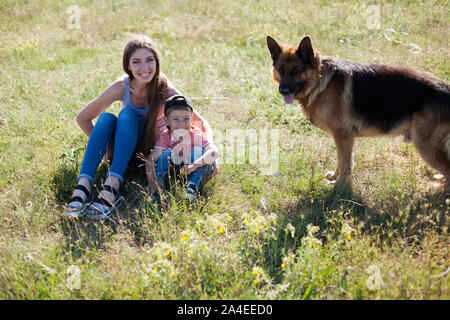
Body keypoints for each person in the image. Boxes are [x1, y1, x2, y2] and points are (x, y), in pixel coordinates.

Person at [64, 35, 218, 219]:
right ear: (128, 66)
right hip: (122, 152)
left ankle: (112, 188)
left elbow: (200, 121)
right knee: (106, 119)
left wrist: (210, 151)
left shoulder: (163, 86)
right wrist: (107, 150)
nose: (144, 68)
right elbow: (83, 118)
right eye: (136, 62)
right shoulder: (122, 86)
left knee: (126, 115)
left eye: (149, 60)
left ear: (157, 61)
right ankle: (83, 186)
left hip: (151, 155)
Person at [147, 95, 219, 201]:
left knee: (198, 150)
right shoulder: (166, 136)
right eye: (176, 119)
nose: (181, 124)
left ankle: (191, 188)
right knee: (165, 154)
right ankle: (158, 189)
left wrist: (193, 166)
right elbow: (150, 160)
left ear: (191, 120)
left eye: (186, 119)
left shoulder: (196, 134)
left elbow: (214, 152)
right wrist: (151, 182)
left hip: (195, 167)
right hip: (176, 170)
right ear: (167, 121)